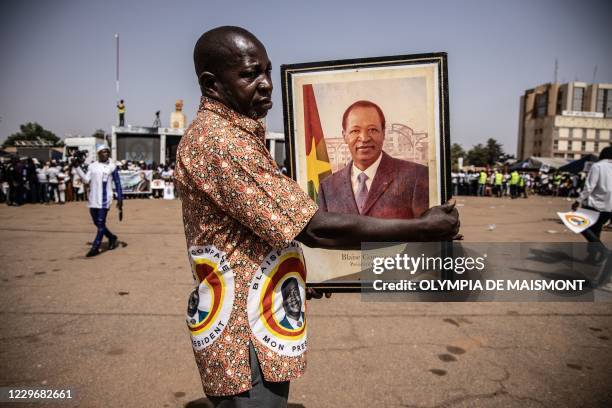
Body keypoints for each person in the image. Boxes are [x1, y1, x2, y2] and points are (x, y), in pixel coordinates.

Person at [174, 26, 459, 407]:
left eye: (267, 72)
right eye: (248, 74)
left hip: (255, 319)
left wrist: (303, 273)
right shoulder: (222, 141)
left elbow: (255, 237)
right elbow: (315, 228)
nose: (266, 85)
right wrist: (424, 228)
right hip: (245, 337)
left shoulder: (232, 136)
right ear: (212, 84)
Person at [317, 100, 429, 218]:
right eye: (355, 131)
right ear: (344, 136)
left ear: (383, 134)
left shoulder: (416, 177)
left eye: (372, 130)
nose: (364, 138)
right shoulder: (328, 187)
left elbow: (426, 232)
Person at [74, 145, 123, 257]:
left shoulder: (112, 166)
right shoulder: (92, 166)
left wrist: (120, 198)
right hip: (93, 199)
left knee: (101, 223)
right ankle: (111, 237)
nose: (106, 153)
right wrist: (77, 167)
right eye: (103, 152)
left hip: (105, 199)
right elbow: (86, 180)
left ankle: (95, 247)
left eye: (107, 152)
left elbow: (118, 183)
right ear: (98, 154)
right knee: (97, 223)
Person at [572, 146, 612, 265]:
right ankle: (593, 257)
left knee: (581, 226)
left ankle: (603, 251)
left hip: (595, 204)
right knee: (596, 229)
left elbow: (589, 187)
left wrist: (578, 200)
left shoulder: (598, 166)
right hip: (609, 207)